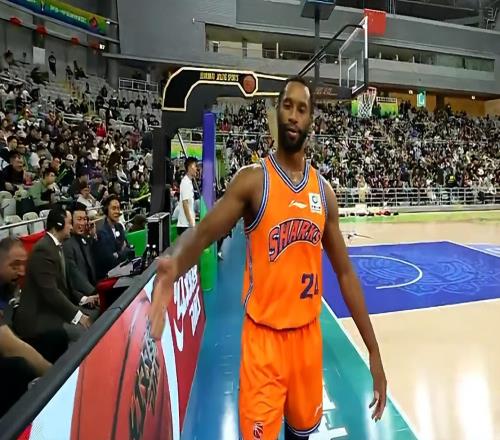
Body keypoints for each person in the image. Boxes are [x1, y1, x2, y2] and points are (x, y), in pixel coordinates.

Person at [149, 77, 387, 439]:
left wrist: (373, 350)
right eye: (287, 106)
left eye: (302, 109)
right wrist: (175, 265)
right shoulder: (253, 181)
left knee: (301, 434)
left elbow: (345, 274)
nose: (293, 115)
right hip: (264, 341)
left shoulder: (323, 192)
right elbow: (204, 232)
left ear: (311, 120)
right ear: (277, 112)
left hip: (307, 338)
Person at [14, 207, 92, 356]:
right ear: (59, 224)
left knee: (94, 320)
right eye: (69, 223)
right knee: (84, 333)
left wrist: (85, 299)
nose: (71, 227)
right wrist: (79, 317)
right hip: (38, 318)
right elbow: (51, 292)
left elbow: (63, 286)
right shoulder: (43, 249)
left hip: (52, 310)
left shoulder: (55, 247)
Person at [176, 157, 197, 236]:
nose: (196, 169)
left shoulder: (189, 182)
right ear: (189, 167)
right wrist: (190, 222)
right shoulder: (185, 182)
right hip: (185, 225)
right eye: (195, 166)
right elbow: (185, 203)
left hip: (188, 225)